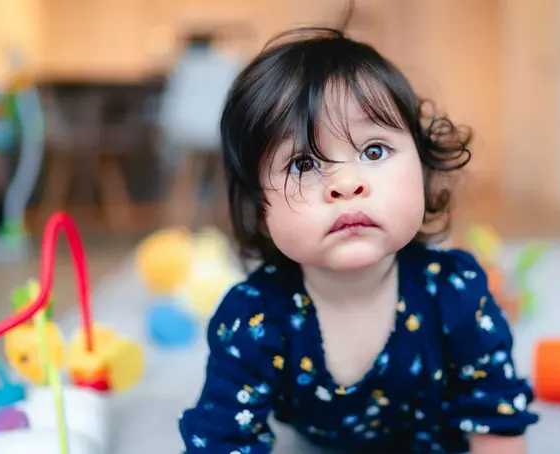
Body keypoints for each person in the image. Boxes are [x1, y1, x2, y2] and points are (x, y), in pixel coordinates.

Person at [179, 27, 539, 454]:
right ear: (259, 208)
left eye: (373, 151)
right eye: (303, 162)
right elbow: (222, 438)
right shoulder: (255, 319)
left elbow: (496, 412)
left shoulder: (453, 291)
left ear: (423, 173)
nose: (346, 183)